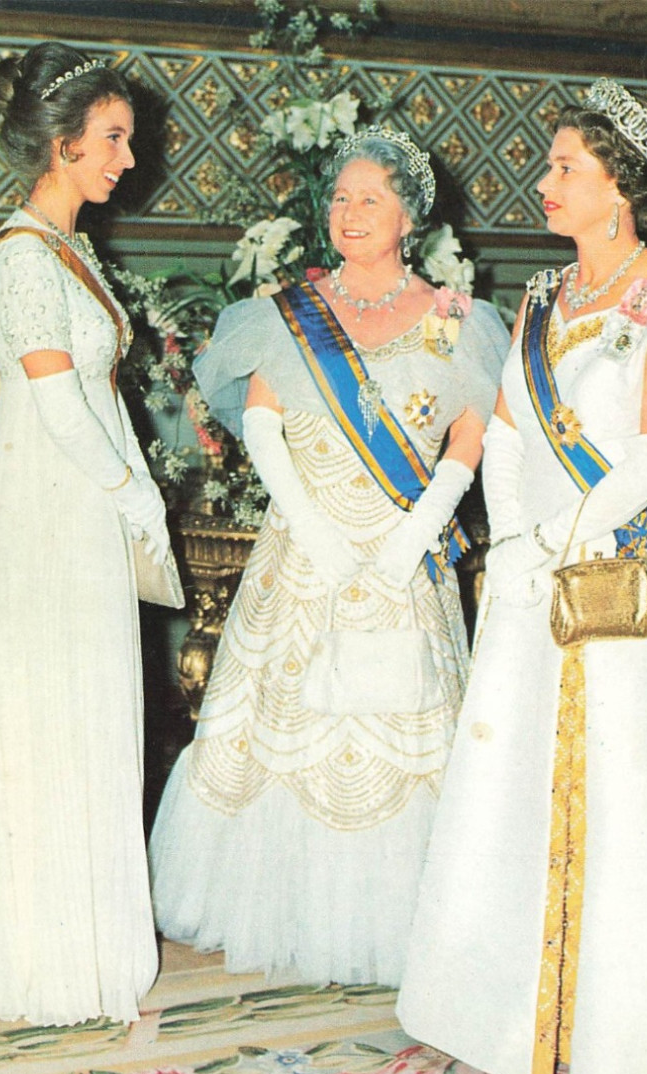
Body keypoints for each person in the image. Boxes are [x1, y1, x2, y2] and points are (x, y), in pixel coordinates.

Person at [396, 79, 647, 1074]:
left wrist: (557, 536)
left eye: (564, 168)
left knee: (617, 802)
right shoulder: (540, 299)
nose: (542, 182)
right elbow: (502, 432)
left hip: (618, 581)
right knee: (510, 782)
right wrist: (510, 537)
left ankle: (615, 1035)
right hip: (532, 571)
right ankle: (492, 1011)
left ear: (618, 190)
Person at [148, 126, 509, 987]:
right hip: (303, 555)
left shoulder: (462, 321)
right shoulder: (289, 312)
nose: (349, 213)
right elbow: (264, 424)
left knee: (397, 731)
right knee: (284, 730)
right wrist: (316, 534)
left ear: (410, 217)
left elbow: (470, 440)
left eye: (370, 199)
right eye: (340, 197)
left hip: (402, 554)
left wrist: (408, 542)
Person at [0, 42, 172, 1026]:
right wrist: (134, 493)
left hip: (83, 511)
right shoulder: (20, 255)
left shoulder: (72, 247)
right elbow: (55, 400)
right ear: (60, 141)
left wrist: (125, 494)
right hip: (56, 515)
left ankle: (91, 949)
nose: (127, 157)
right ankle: (35, 959)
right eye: (113, 139)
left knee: (95, 718)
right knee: (51, 719)